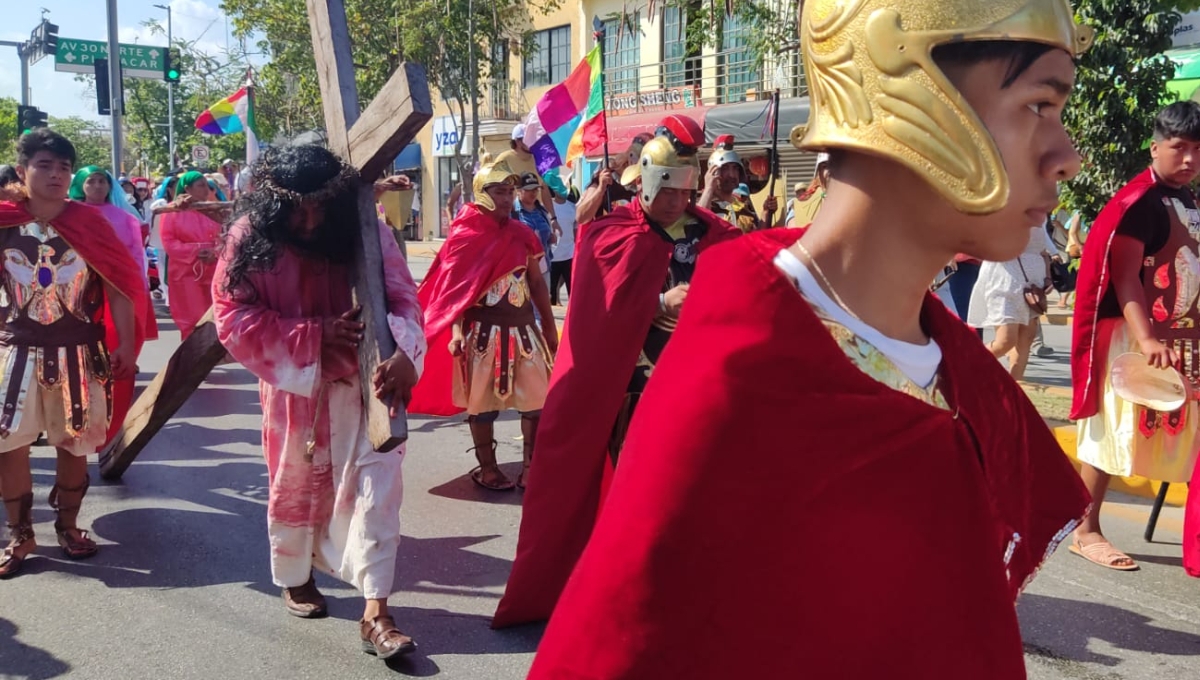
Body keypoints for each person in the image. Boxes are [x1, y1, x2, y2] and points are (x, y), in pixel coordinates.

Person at [524, 1, 1094, 676]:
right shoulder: (736, 381)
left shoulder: (969, 388)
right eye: (1037, 105)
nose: (1070, 157)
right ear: (918, 98)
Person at [492, 114, 740, 628]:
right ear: (646, 182)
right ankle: (617, 590)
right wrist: (655, 302)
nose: (675, 201)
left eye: (683, 190)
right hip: (627, 389)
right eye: (665, 189)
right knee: (629, 492)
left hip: (689, 386)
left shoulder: (712, 233)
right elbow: (596, 310)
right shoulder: (612, 234)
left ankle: (675, 590)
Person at [212, 144, 426, 659]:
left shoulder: (367, 229)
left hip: (368, 390)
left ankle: (377, 612)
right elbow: (230, 316)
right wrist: (312, 338)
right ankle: (296, 573)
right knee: (297, 489)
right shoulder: (247, 240)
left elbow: (403, 298)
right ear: (273, 203)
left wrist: (403, 353)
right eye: (296, 208)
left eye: (318, 207)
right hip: (294, 392)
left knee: (378, 494)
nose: (308, 220)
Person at [0, 129, 148, 578]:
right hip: (14, 351)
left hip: (79, 353)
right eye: (45, 165)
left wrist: (124, 343)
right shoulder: (3, 221)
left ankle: (68, 526)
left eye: (64, 167)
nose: (56, 174)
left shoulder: (90, 223)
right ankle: (20, 533)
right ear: (23, 170)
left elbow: (120, 288)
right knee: (8, 446)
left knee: (74, 444)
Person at [1071, 101, 1200, 575]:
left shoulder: (1189, 202)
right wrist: (1145, 339)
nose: (1189, 160)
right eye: (1179, 148)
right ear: (1155, 146)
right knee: (1112, 432)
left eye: (1198, 151)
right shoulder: (1138, 204)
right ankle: (1085, 530)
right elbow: (1124, 277)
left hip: (1183, 336)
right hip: (1135, 334)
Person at [409, 157, 559, 491]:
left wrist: (549, 328)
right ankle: (488, 468)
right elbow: (453, 296)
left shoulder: (523, 235)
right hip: (483, 336)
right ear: (482, 192)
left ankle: (531, 466)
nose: (507, 198)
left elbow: (536, 285)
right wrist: (457, 332)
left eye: (510, 191)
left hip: (523, 332)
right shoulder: (465, 236)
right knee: (483, 405)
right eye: (499, 191)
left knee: (537, 402)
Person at [68, 166, 160, 452]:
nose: (96, 185)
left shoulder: (124, 218)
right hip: (77, 293)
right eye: (90, 181)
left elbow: (134, 257)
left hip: (115, 292)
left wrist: (134, 287)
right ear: (81, 185)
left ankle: (106, 417)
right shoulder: (68, 216)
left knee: (114, 348)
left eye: (101, 181)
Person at [967, 223, 1054, 380]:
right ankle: (964, 367)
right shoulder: (1000, 210)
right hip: (1003, 281)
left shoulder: (1038, 213)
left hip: (1033, 285)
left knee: (1026, 339)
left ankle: (1013, 389)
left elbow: (1042, 251)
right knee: (1006, 341)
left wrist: (1048, 278)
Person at [160, 171, 223, 340]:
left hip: (212, 268)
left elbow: (224, 236)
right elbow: (168, 241)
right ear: (187, 188)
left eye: (207, 186)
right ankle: (191, 351)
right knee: (191, 313)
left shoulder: (213, 210)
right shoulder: (171, 211)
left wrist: (215, 252)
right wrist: (195, 252)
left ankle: (210, 351)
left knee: (213, 311)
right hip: (185, 272)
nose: (206, 190)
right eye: (200, 185)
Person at [699, 134, 777, 232]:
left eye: (735, 168)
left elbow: (756, 239)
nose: (731, 174)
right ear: (714, 171)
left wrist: (766, 212)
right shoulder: (705, 203)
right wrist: (709, 189)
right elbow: (699, 224)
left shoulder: (743, 209)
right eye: (725, 168)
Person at [575, 133, 652, 225]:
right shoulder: (607, 176)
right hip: (606, 235)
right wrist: (601, 189)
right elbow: (581, 216)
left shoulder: (646, 184)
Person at [496, 124, 559, 228]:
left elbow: (544, 189)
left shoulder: (538, 160)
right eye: (529, 138)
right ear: (518, 141)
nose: (533, 141)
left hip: (538, 215)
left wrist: (553, 218)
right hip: (513, 216)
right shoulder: (504, 159)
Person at [514, 172, 557, 275]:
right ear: (519, 190)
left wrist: (551, 238)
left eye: (535, 189)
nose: (533, 193)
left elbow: (547, 238)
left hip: (544, 269)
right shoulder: (512, 213)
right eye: (529, 189)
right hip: (523, 272)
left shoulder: (542, 211)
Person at [549, 184, 578, 306]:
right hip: (552, 257)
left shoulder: (573, 207)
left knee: (573, 291)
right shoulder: (548, 207)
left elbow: (576, 230)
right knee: (551, 293)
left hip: (569, 255)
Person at [788, 152, 831, 227]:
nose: (831, 171)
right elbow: (793, 232)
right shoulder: (799, 207)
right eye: (825, 166)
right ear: (819, 173)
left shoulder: (855, 204)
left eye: (838, 166)